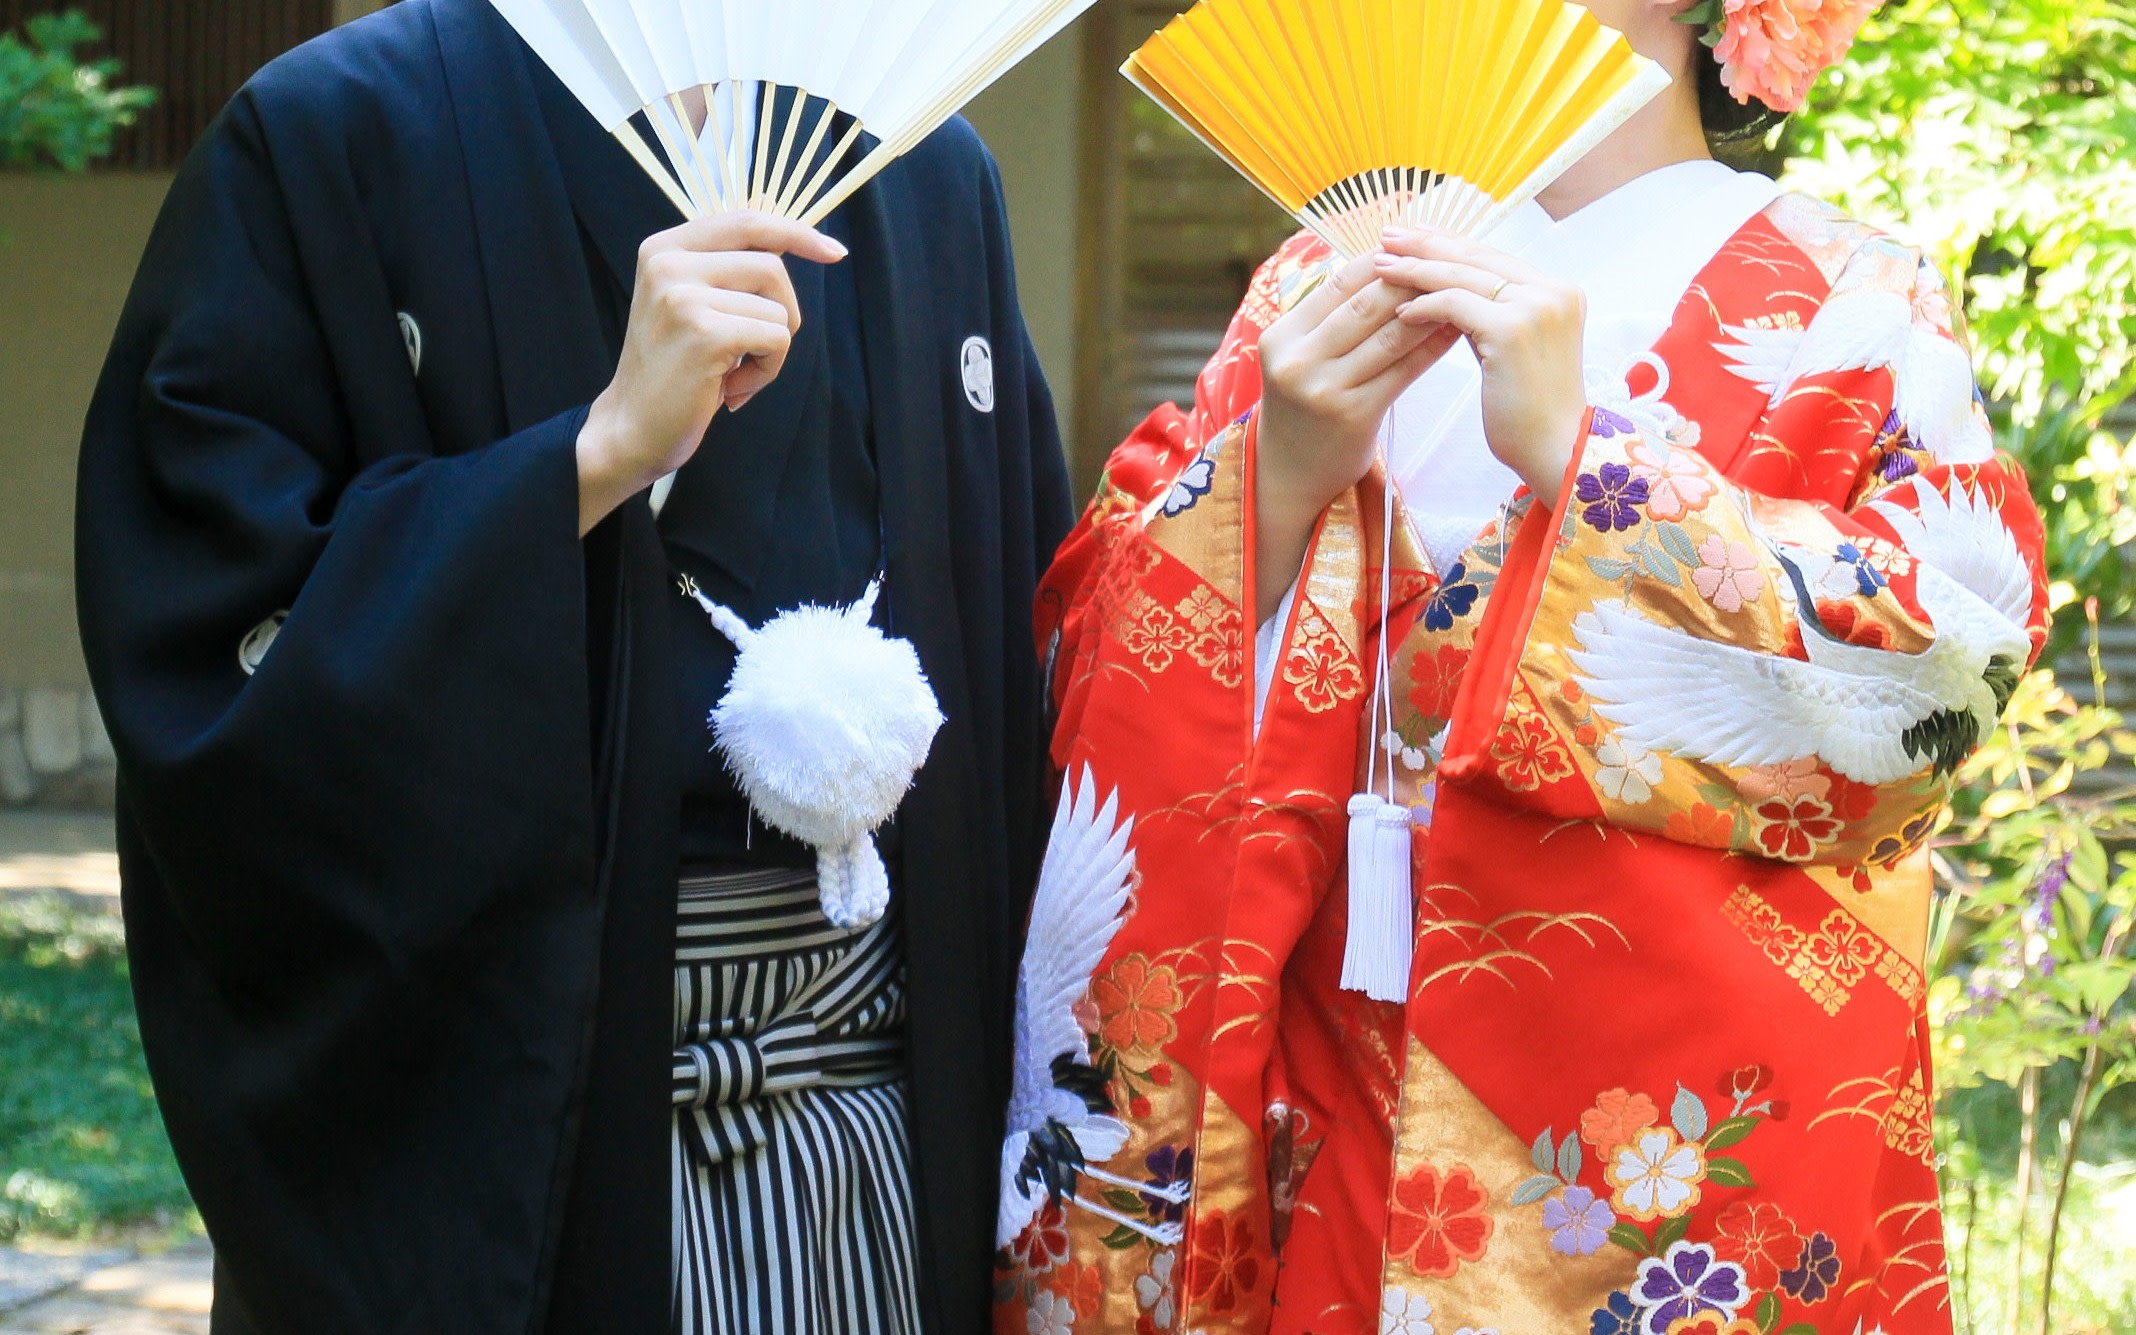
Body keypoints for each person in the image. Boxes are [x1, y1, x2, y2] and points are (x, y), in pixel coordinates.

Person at [999, 2, 2046, 1333]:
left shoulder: (1850, 305)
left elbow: (1941, 687)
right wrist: (1270, 487)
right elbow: (1094, 649)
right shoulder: (1323, 272)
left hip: (1646, 1161)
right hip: (1309, 1095)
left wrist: (1591, 465)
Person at [73, 1, 1071, 1332]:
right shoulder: (336, 132)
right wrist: (596, 457)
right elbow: (216, 648)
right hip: (535, 1127)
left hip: (887, 1138)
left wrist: (1276, 487)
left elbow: (1047, 667)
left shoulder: (927, 162)